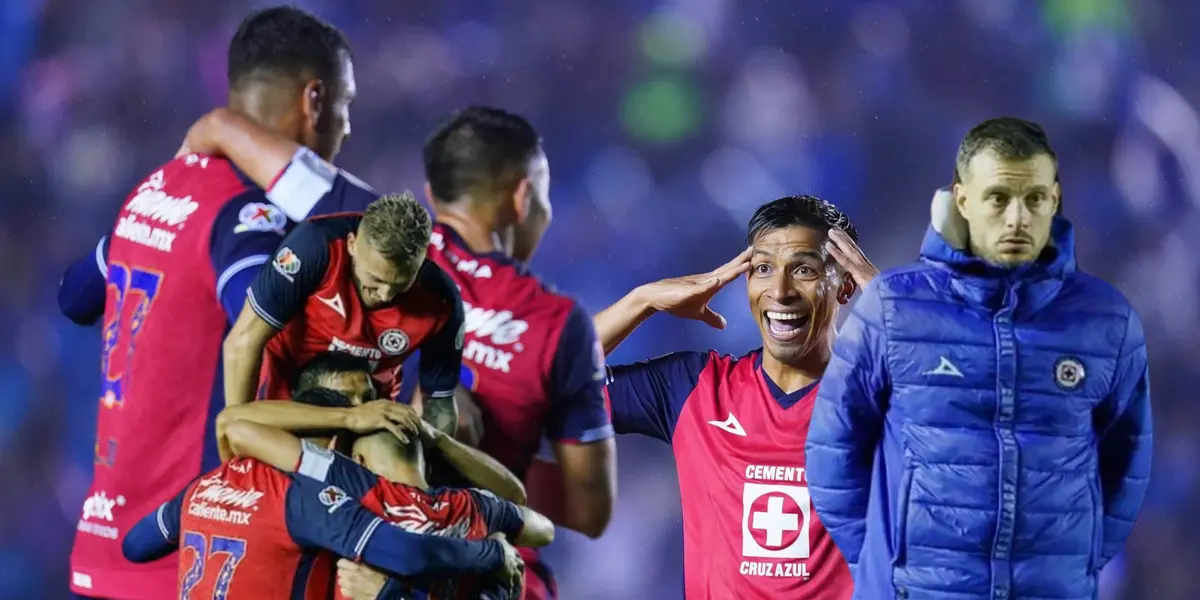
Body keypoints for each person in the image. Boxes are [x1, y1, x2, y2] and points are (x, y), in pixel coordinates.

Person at [174, 105, 617, 600]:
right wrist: (467, 467)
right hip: (417, 525)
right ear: (523, 196)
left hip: (303, 487)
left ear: (430, 196)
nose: (381, 296)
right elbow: (586, 511)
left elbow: (219, 126)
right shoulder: (557, 323)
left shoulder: (352, 208)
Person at [57, 7, 369, 598]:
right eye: (347, 106)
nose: (347, 130)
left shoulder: (154, 191)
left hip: (101, 554)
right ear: (315, 101)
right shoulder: (249, 215)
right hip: (188, 565)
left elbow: (75, 295)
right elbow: (263, 323)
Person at [805, 117, 1154, 600]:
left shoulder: (1107, 321)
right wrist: (886, 566)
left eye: (1034, 199)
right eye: (998, 198)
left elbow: (1126, 469)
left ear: (1054, 200)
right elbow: (832, 454)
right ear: (962, 200)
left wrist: (1073, 563)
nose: (1017, 218)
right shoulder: (891, 308)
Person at [587, 195, 878, 599]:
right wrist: (643, 300)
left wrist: (897, 308)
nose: (780, 290)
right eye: (763, 268)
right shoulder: (694, 387)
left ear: (845, 284)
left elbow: (987, 415)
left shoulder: (883, 396)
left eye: (805, 270)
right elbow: (543, 383)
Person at [121, 385, 525, 599]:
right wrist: (492, 553)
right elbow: (407, 553)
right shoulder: (305, 499)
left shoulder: (203, 486)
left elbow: (135, 546)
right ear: (329, 447)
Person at [222, 416, 556, 599]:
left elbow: (237, 429)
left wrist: (349, 418)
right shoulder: (475, 505)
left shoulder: (354, 484)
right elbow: (542, 529)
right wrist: (440, 440)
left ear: (359, 459)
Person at [224, 193, 466, 441]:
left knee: (390, 467)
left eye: (400, 284)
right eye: (376, 279)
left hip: (371, 408)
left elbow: (440, 403)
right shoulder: (315, 247)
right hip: (287, 395)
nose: (385, 294)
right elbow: (243, 341)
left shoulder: (441, 299)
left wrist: (433, 463)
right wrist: (237, 436)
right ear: (352, 245)